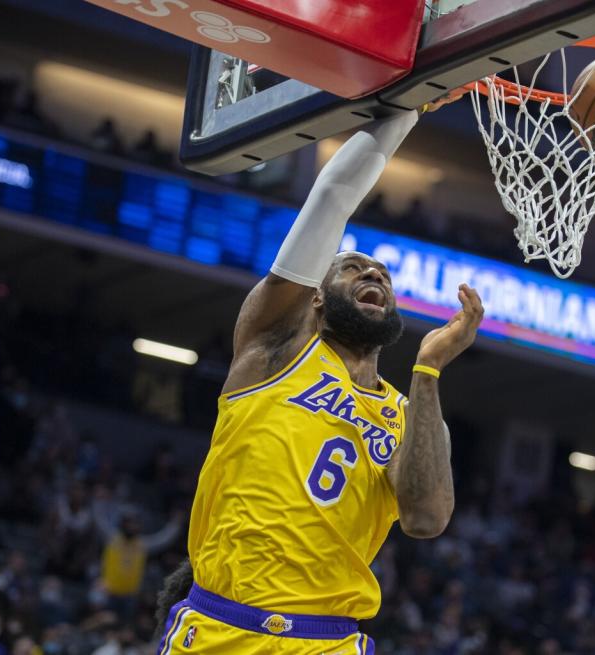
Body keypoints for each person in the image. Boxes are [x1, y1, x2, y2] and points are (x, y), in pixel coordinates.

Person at [156, 105, 483, 653]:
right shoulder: (274, 349)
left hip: (326, 641)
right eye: (352, 268)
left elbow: (426, 519)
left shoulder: (410, 415)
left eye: (381, 273)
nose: (373, 273)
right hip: (221, 627)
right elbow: (331, 196)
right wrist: (411, 104)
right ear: (315, 297)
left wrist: (427, 374)